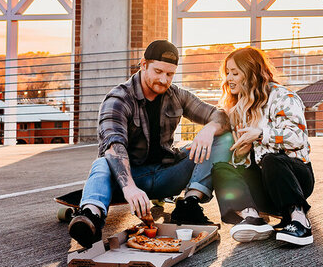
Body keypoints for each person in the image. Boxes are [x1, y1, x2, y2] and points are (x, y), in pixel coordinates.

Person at [69, 40, 233, 249]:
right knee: (102, 164)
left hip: (167, 174)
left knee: (223, 138)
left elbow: (220, 116)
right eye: (158, 71)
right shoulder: (118, 99)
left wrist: (208, 130)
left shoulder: (177, 95)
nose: (164, 79)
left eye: (170, 74)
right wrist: (130, 188)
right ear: (143, 64)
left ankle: (188, 206)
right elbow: (113, 146)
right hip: (130, 181)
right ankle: (90, 217)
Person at [212, 46, 315, 246]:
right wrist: (242, 155)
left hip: (295, 178)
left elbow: (297, 138)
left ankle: (299, 221)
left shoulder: (284, 97)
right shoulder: (239, 106)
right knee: (222, 169)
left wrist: (260, 134)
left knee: (272, 160)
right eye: (227, 73)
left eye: (235, 73)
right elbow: (246, 159)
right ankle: (252, 218)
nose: (228, 79)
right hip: (265, 184)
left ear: (250, 74)